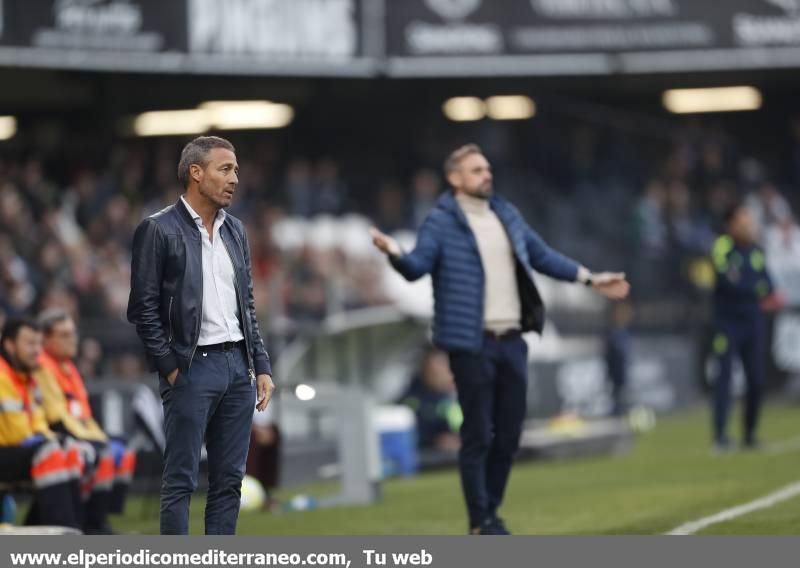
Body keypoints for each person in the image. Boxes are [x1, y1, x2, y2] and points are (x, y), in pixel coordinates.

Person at [370, 144, 629, 535]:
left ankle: (489, 511)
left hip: (513, 339)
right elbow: (416, 268)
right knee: (477, 434)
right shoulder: (441, 222)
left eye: (487, 168)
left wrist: (590, 278)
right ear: (455, 179)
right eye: (476, 170)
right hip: (470, 342)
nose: (486, 174)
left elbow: (542, 255)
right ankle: (483, 520)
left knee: (508, 435)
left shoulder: (506, 213)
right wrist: (395, 253)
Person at [127, 135, 275, 535]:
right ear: (196, 172)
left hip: (236, 367)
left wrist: (260, 363)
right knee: (181, 482)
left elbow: (245, 304)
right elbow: (142, 309)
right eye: (225, 169)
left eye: (236, 171)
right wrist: (172, 369)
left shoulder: (236, 231)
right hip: (192, 370)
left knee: (229, 483)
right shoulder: (157, 230)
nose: (235, 179)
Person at [34, 309, 137, 532]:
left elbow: (84, 415)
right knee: (104, 452)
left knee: (124, 449)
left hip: (77, 430)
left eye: (73, 333)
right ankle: (93, 524)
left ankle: (99, 517)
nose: (72, 340)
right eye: (64, 335)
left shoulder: (68, 367)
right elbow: (57, 416)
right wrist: (96, 441)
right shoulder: (43, 366)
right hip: (56, 432)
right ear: (45, 339)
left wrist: (98, 436)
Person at [710, 203, 783, 452]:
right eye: (743, 220)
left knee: (757, 380)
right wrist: (755, 290)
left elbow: (769, 286)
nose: (748, 225)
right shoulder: (722, 247)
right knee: (724, 380)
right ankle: (720, 437)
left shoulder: (755, 251)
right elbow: (728, 282)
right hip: (727, 323)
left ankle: (749, 434)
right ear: (731, 224)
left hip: (753, 323)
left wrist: (754, 289)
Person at [0, 317, 82, 529]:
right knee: (50, 452)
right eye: (30, 343)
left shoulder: (28, 378)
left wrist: (54, 439)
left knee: (71, 449)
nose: (37, 350)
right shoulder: (2, 375)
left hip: (18, 449)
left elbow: (38, 425)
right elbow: (16, 433)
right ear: (9, 345)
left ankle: (78, 528)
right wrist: (43, 441)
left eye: (38, 343)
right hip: (7, 448)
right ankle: (64, 533)